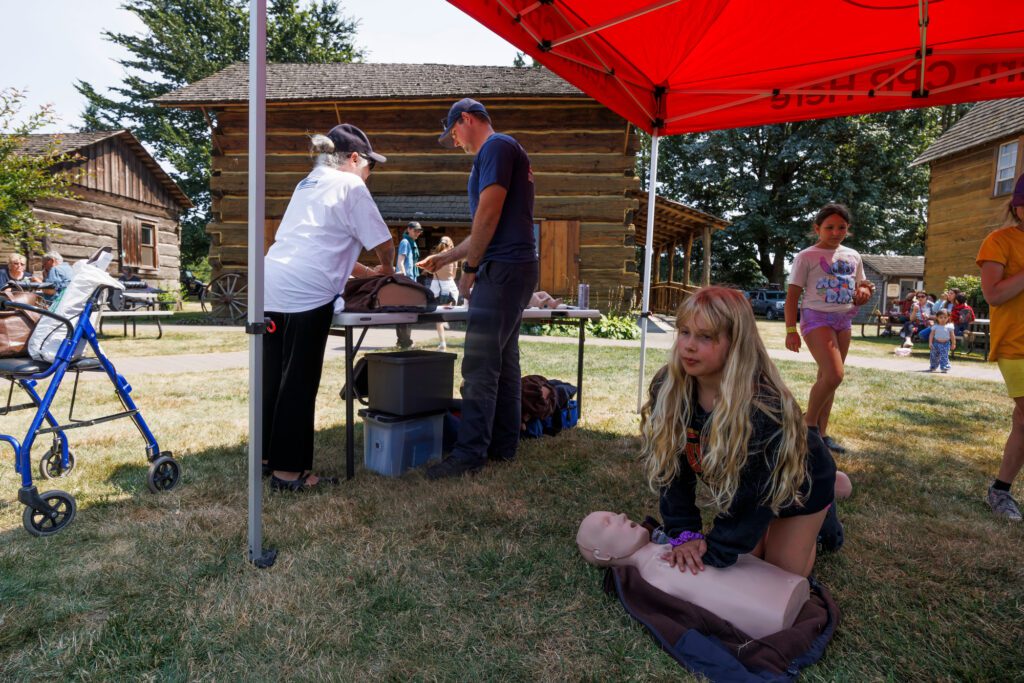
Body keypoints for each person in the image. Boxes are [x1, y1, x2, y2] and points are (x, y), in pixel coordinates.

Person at [643, 287, 840, 578]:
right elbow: (672, 468)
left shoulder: (763, 408)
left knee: (777, 573)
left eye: (706, 336)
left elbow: (755, 497)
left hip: (801, 481)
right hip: (753, 482)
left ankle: (825, 521)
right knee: (750, 560)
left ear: (736, 344)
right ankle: (839, 487)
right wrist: (684, 532)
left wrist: (716, 549)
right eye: (684, 332)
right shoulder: (670, 387)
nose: (688, 346)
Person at [263, 124, 395, 491]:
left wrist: (364, 271)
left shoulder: (307, 182)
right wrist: (387, 271)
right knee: (299, 382)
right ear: (354, 159)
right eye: (371, 166)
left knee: (272, 375)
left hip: (271, 281)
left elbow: (320, 240)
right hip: (308, 291)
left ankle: (265, 458)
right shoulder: (351, 185)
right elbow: (384, 241)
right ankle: (288, 473)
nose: (370, 175)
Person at [418, 98, 538, 479]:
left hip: (501, 270)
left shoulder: (497, 147)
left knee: (480, 364)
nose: (455, 142)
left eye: (453, 132)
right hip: (514, 266)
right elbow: (486, 228)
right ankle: (504, 446)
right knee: (504, 361)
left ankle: (469, 454)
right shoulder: (500, 151)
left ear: (467, 119)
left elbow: (488, 214)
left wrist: (470, 269)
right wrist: (446, 258)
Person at [576, 511, 810, 639]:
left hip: (785, 590)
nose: (622, 515)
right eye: (608, 522)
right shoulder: (651, 576)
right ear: (602, 554)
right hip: (774, 615)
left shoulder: (668, 547)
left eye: (615, 514)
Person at [784, 203, 874, 455]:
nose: (836, 232)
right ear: (817, 229)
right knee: (835, 375)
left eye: (842, 227)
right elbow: (792, 297)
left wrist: (865, 290)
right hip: (816, 319)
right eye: (829, 227)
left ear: (848, 229)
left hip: (844, 320)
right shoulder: (806, 257)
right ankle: (808, 425)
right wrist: (791, 330)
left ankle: (821, 435)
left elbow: (862, 284)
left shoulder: (853, 256)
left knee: (827, 380)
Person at [977, 172, 1024, 521]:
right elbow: (993, 294)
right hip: (1016, 345)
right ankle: (1000, 492)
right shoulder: (999, 240)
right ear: (1017, 206)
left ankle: (1000, 490)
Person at [394, 221, 424, 349]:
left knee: (407, 311)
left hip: (411, 279)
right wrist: (405, 278)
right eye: (416, 230)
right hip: (406, 281)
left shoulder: (412, 243)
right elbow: (401, 261)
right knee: (405, 311)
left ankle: (404, 341)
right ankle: (404, 341)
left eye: (419, 231)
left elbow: (411, 263)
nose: (418, 233)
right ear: (409, 229)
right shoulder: (405, 242)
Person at [427, 236, 457, 350]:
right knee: (445, 313)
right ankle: (445, 324)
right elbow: (453, 275)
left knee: (438, 318)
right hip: (449, 287)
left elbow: (432, 272)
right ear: (450, 245)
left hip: (437, 288)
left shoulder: (435, 257)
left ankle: (442, 343)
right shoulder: (453, 258)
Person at [928, 309, 955, 373]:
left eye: (945, 317)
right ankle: (933, 366)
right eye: (941, 317)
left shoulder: (949, 326)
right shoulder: (935, 326)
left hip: (946, 344)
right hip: (936, 343)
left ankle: (944, 367)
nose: (943, 319)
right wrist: (930, 343)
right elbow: (931, 335)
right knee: (934, 355)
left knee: (944, 355)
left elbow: (952, 336)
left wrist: (953, 343)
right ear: (937, 318)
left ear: (948, 318)